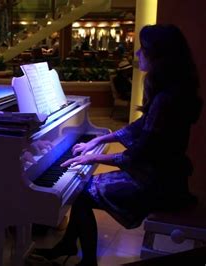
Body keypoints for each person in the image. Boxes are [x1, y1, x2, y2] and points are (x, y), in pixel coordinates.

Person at [30, 24, 201, 266]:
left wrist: (93, 158)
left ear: (160, 56)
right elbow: (141, 127)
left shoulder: (167, 100)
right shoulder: (171, 91)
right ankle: (68, 245)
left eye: (144, 50)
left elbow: (141, 153)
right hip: (162, 173)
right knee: (82, 189)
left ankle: (87, 261)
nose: (137, 54)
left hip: (158, 183)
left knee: (81, 194)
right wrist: (100, 139)